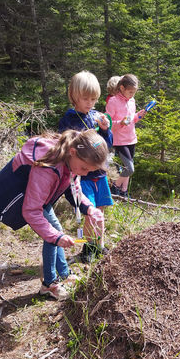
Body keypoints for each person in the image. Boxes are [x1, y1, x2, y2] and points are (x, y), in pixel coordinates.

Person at [0, 129, 108, 300]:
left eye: (89, 170)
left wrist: (89, 209)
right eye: (84, 168)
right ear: (73, 152)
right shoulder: (48, 167)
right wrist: (56, 237)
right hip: (16, 198)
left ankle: (64, 275)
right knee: (53, 234)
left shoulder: (71, 157)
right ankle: (49, 284)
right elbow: (31, 210)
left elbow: (73, 189)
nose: (85, 173)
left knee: (55, 230)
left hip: (36, 197)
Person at [59, 70, 113, 263]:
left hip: (99, 174)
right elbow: (67, 147)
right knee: (90, 211)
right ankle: (88, 248)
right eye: (85, 98)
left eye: (93, 99)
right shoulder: (69, 119)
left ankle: (99, 244)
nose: (90, 103)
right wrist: (84, 138)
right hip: (83, 177)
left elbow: (107, 145)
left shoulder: (96, 116)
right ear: (74, 96)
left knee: (100, 210)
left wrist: (106, 130)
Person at [105, 74, 146, 198]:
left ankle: (124, 192)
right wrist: (120, 123)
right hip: (119, 140)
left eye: (134, 92)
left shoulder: (132, 101)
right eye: (130, 92)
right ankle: (114, 187)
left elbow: (132, 119)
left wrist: (138, 116)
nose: (132, 94)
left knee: (126, 169)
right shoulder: (113, 101)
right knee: (130, 168)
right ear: (122, 88)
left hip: (131, 138)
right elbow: (107, 123)